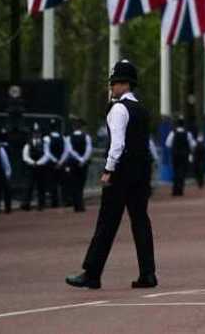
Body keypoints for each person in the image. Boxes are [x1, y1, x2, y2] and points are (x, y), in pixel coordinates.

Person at [67, 59, 157, 290]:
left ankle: (92, 273)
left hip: (122, 171)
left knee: (107, 222)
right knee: (140, 221)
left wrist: (108, 169)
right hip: (141, 170)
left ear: (124, 84)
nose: (111, 87)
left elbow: (117, 144)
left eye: (114, 82)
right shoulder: (142, 110)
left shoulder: (118, 108)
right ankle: (148, 273)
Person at [64, 118, 93, 213]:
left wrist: (79, 159)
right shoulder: (86, 137)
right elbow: (89, 149)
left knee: (74, 183)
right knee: (81, 184)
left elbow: (70, 150)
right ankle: (79, 204)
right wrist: (83, 159)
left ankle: (77, 204)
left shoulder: (69, 137)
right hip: (83, 164)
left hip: (73, 163)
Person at [21, 123, 49, 211]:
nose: (36, 134)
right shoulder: (28, 143)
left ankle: (41, 204)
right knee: (28, 186)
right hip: (31, 167)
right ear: (32, 133)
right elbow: (25, 156)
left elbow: (47, 155)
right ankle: (26, 204)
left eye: (38, 132)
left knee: (41, 187)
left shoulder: (44, 143)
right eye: (35, 132)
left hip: (41, 167)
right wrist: (32, 162)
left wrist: (39, 163)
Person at [165, 116, 195, 197]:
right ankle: (180, 189)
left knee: (176, 172)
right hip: (184, 155)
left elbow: (168, 144)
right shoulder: (187, 133)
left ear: (177, 124)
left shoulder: (173, 133)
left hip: (175, 155)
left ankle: (175, 190)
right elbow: (192, 144)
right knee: (182, 172)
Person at [44, 118, 66, 208]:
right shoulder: (63, 137)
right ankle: (62, 201)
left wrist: (55, 161)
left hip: (51, 163)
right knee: (61, 183)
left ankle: (54, 202)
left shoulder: (47, 138)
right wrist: (60, 161)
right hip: (61, 163)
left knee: (52, 183)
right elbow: (66, 151)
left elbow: (47, 152)